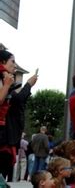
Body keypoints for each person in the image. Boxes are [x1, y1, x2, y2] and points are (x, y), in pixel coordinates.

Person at [0, 49, 38, 180]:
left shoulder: (7, 81)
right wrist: (27, 85)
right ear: (2, 62)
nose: (15, 65)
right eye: (12, 61)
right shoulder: (5, 81)